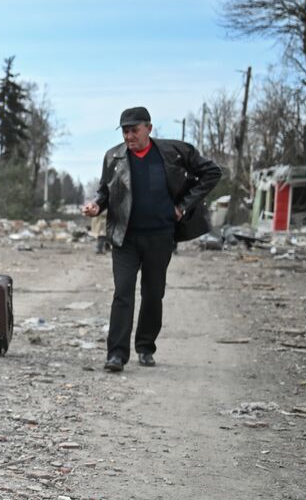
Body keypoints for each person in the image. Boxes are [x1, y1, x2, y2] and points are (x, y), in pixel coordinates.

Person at [81, 106, 221, 372]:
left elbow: (212, 172)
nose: (129, 136)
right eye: (125, 131)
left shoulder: (173, 153)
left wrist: (184, 205)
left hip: (160, 235)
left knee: (153, 293)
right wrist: (97, 206)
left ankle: (145, 347)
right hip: (125, 237)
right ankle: (116, 355)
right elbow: (105, 191)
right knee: (122, 292)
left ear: (149, 128)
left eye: (134, 130)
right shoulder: (114, 157)